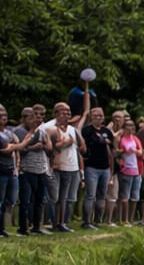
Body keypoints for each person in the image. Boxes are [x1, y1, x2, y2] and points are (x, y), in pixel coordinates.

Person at [46, 101, 83, 231]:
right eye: (63, 111)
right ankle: (52, 222)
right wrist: (64, 143)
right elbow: (49, 148)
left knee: (64, 197)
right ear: (55, 113)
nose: (67, 114)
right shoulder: (48, 127)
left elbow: (81, 149)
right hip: (54, 168)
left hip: (70, 167)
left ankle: (61, 223)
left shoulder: (72, 129)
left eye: (68, 111)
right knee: (54, 197)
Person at [17, 107, 52, 235]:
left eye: (36, 118)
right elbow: (20, 150)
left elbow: (49, 150)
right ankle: (23, 228)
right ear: (24, 118)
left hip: (41, 169)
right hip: (27, 170)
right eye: (31, 118)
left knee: (39, 201)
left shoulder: (42, 132)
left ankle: (36, 226)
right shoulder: (19, 131)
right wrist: (33, 146)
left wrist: (44, 144)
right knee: (25, 201)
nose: (35, 120)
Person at [80, 107, 114, 229]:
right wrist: (103, 140)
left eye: (101, 116)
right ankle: (86, 221)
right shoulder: (87, 130)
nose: (99, 118)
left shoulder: (107, 131)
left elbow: (111, 146)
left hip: (105, 167)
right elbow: (93, 141)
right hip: (91, 166)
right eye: (96, 116)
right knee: (90, 195)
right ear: (91, 117)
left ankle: (98, 220)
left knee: (102, 195)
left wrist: (104, 141)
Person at [114, 117, 142, 227]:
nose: (130, 128)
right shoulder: (121, 139)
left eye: (132, 126)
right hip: (125, 169)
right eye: (128, 126)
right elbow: (116, 152)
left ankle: (130, 219)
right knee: (124, 196)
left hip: (136, 169)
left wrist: (135, 151)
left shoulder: (135, 139)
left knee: (134, 196)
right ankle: (122, 219)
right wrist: (124, 151)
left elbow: (140, 151)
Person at [0, 105, 18, 236]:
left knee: (10, 200)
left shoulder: (9, 132)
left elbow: (14, 149)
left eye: (5, 113)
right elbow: (6, 150)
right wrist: (16, 145)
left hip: (10, 170)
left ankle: (3, 228)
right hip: (1, 172)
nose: (3, 116)